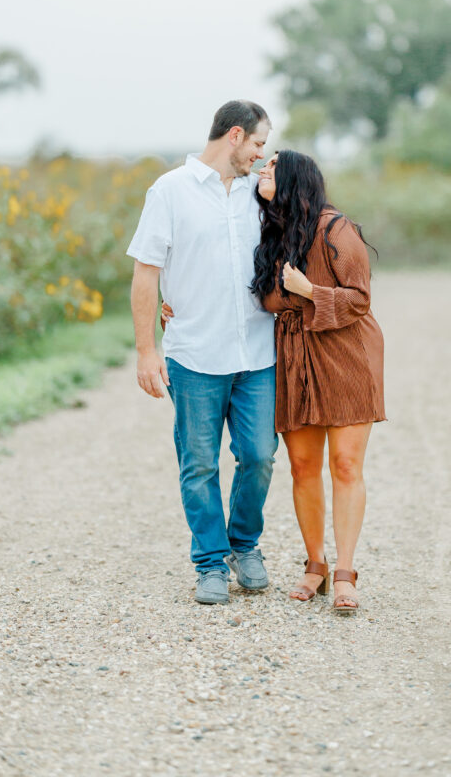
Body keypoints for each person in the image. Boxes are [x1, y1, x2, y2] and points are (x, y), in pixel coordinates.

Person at [126, 101, 278, 605]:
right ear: (234, 136)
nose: (262, 155)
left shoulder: (261, 195)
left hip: (257, 352)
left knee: (258, 456)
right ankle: (210, 562)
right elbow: (146, 272)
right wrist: (148, 351)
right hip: (194, 356)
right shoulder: (169, 191)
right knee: (199, 465)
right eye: (258, 144)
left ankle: (244, 546)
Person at [251, 149, 385, 615]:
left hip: (346, 354)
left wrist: (310, 292)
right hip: (295, 358)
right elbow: (256, 295)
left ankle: (346, 571)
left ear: (293, 179)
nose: (260, 171)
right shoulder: (270, 228)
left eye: (269, 167)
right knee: (303, 467)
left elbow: (360, 300)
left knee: (346, 466)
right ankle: (315, 565)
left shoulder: (337, 230)